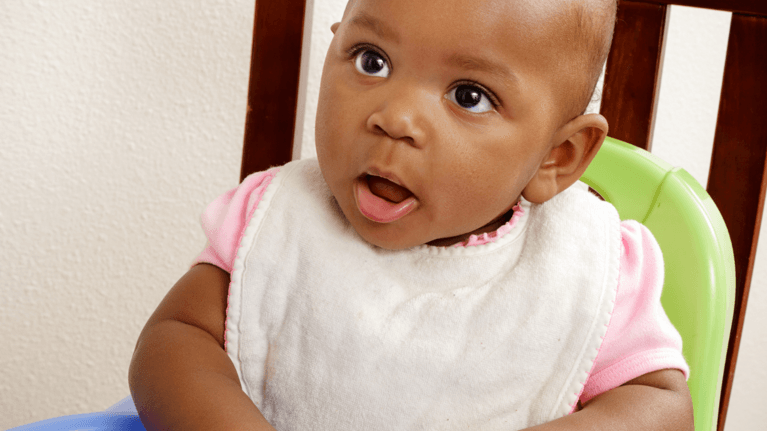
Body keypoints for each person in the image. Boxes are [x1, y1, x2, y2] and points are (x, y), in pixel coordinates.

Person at [129, 0, 694, 429]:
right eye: (372, 60)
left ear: (557, 156)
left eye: (469, 95)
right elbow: (173, 339)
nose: (394, 116)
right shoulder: (277, 219)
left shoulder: (583, 267)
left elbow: (662, 407)